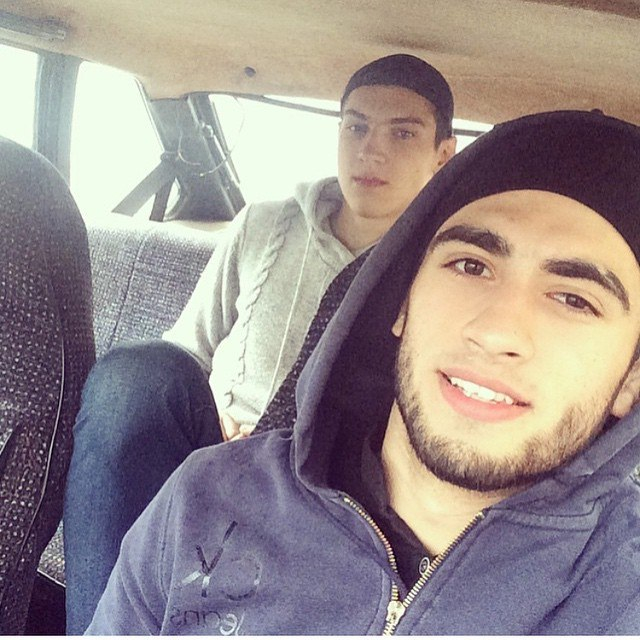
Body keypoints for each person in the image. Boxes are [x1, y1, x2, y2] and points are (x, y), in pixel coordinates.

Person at [86, 109, 640, 635]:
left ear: (632, 380)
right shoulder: (206, 497)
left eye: (574, 299)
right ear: (401, 304)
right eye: (470, 265)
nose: (497, 332)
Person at [63, 54, 457, 633]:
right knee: (135, 375)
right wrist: (215, 410)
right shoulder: (265, 226)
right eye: (356, 126)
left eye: (402, 134)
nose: (371, 151)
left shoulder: (449, 273)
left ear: (442, 155)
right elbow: (183, 354)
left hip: (330, 493)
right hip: (212, 454)